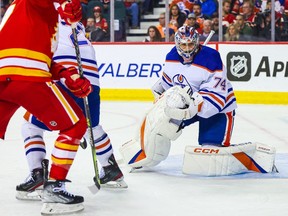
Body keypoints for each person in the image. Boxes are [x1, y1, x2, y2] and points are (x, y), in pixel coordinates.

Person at [120, 25, 276, 176]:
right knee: (159, 126)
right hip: (187, 106)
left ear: (196, 42)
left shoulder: (211, 58)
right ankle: (145, 155)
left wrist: (190, 109)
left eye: (190, 44)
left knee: (210, 154)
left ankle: (251, 156)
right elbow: (169, 86)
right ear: (177, 44)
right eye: (183, 44)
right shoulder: (171, 57)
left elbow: (217, 98)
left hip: (217, 110)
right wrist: (161, 92)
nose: (187, 48)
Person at [16, 17, 127, 201]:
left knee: (30, 125)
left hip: (65, 75)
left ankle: (39, 176)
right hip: (90, 77)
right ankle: (111, 169)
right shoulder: (74, 22)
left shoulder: (43, 13)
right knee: (91, 127)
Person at [0, 0, 92, 214]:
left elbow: (41, 58)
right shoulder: (31, 4)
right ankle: (55, 189)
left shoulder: (37, 18)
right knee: (75, 125)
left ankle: (38, 179)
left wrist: (68, 76)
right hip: (27, 76)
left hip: (5, 75)